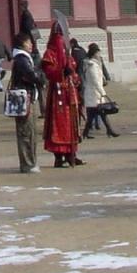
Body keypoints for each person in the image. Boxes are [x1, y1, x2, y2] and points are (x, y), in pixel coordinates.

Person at [40, 21, 84, 167]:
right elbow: (49, 72)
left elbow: (73, 70)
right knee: (59, 124)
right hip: (58, 94)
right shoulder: (50, 53)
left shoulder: (67, 52)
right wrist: (61, 72)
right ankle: (59, 156)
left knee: (72, 123)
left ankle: (72, 154)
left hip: (70, 93)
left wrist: (74, 77)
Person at [9, 31, 41, 173]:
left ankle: (31, 161)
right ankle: (27, 163)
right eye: (28, 42)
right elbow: (31, 75)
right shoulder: (21, 59)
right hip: (24, 99)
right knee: (26, 132)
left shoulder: (25, 58)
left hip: (28, 97)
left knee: (30, 132)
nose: (31, 45)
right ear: (22, 44)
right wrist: (40, 78)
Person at [81, 43, 119, 138]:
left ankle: (107, 130)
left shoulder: (94, 64)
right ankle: (108, 131)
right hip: (93, 94)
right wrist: (103, 93)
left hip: (94, 94)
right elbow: (96, 81)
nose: (99, 54)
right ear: (94, 53)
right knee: (97, 114)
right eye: (98, 52)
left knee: (99, 113)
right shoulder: (92, 66)